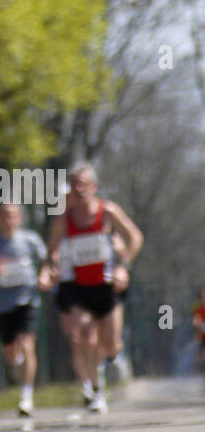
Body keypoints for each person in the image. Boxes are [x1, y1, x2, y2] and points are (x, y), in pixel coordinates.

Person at [47, 162, 143, 414]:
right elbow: (52, 251)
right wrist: (53, 266)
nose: (78, 189)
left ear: (94, 186)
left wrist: (124, 266)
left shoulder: (108, 211)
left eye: (83, 183)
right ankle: (95, 390)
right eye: (73, 183)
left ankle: (110, 362)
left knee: (110, 344)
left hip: (106, 284)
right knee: (82, 336)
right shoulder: (63, 219)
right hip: (76, 286)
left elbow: (135, 237)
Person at [0, 202, 48, 417]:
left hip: (27, 300)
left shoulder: (31, 241)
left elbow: (47, 262)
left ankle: (26, 397)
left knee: (27, 344)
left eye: (12, 216)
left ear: (20, 218)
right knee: (11, 353)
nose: (8, 220)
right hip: (1, 305)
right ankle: (17, 366)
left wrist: (44, 275)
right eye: (4, 216)